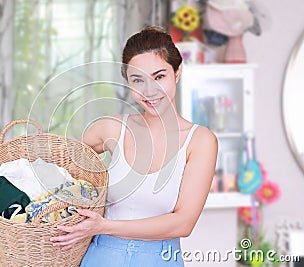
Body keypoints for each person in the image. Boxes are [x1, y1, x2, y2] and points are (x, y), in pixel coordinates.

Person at [49, 26, 218, 266]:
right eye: (138, 80)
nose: (150, 91)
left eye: (159, 76)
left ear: (177, 72)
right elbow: (58, 170)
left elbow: (183, 224)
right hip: (101, 258)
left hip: (160, 259)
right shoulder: (109, 129)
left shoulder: (200, 141)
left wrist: (105, 226)